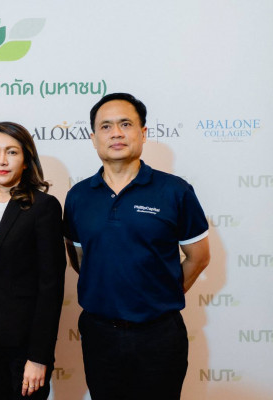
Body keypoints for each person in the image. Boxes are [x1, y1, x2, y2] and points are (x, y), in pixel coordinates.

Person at [63, 93, 211, 400]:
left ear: (143, 133)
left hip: (159, 335)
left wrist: (160, 294)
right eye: (106, 126)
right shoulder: (78, 196)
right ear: (93, 138)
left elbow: (198, 257)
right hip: (100, 334)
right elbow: (80, 259)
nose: (116, 133)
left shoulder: (175, 191)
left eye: (125, 124)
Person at [0, 122, 66, 399]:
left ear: (26, 160)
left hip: (25, 346)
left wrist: (39, 356)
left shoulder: (43, 207)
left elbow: (51, 287)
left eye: (12, 152)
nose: (2, 161)